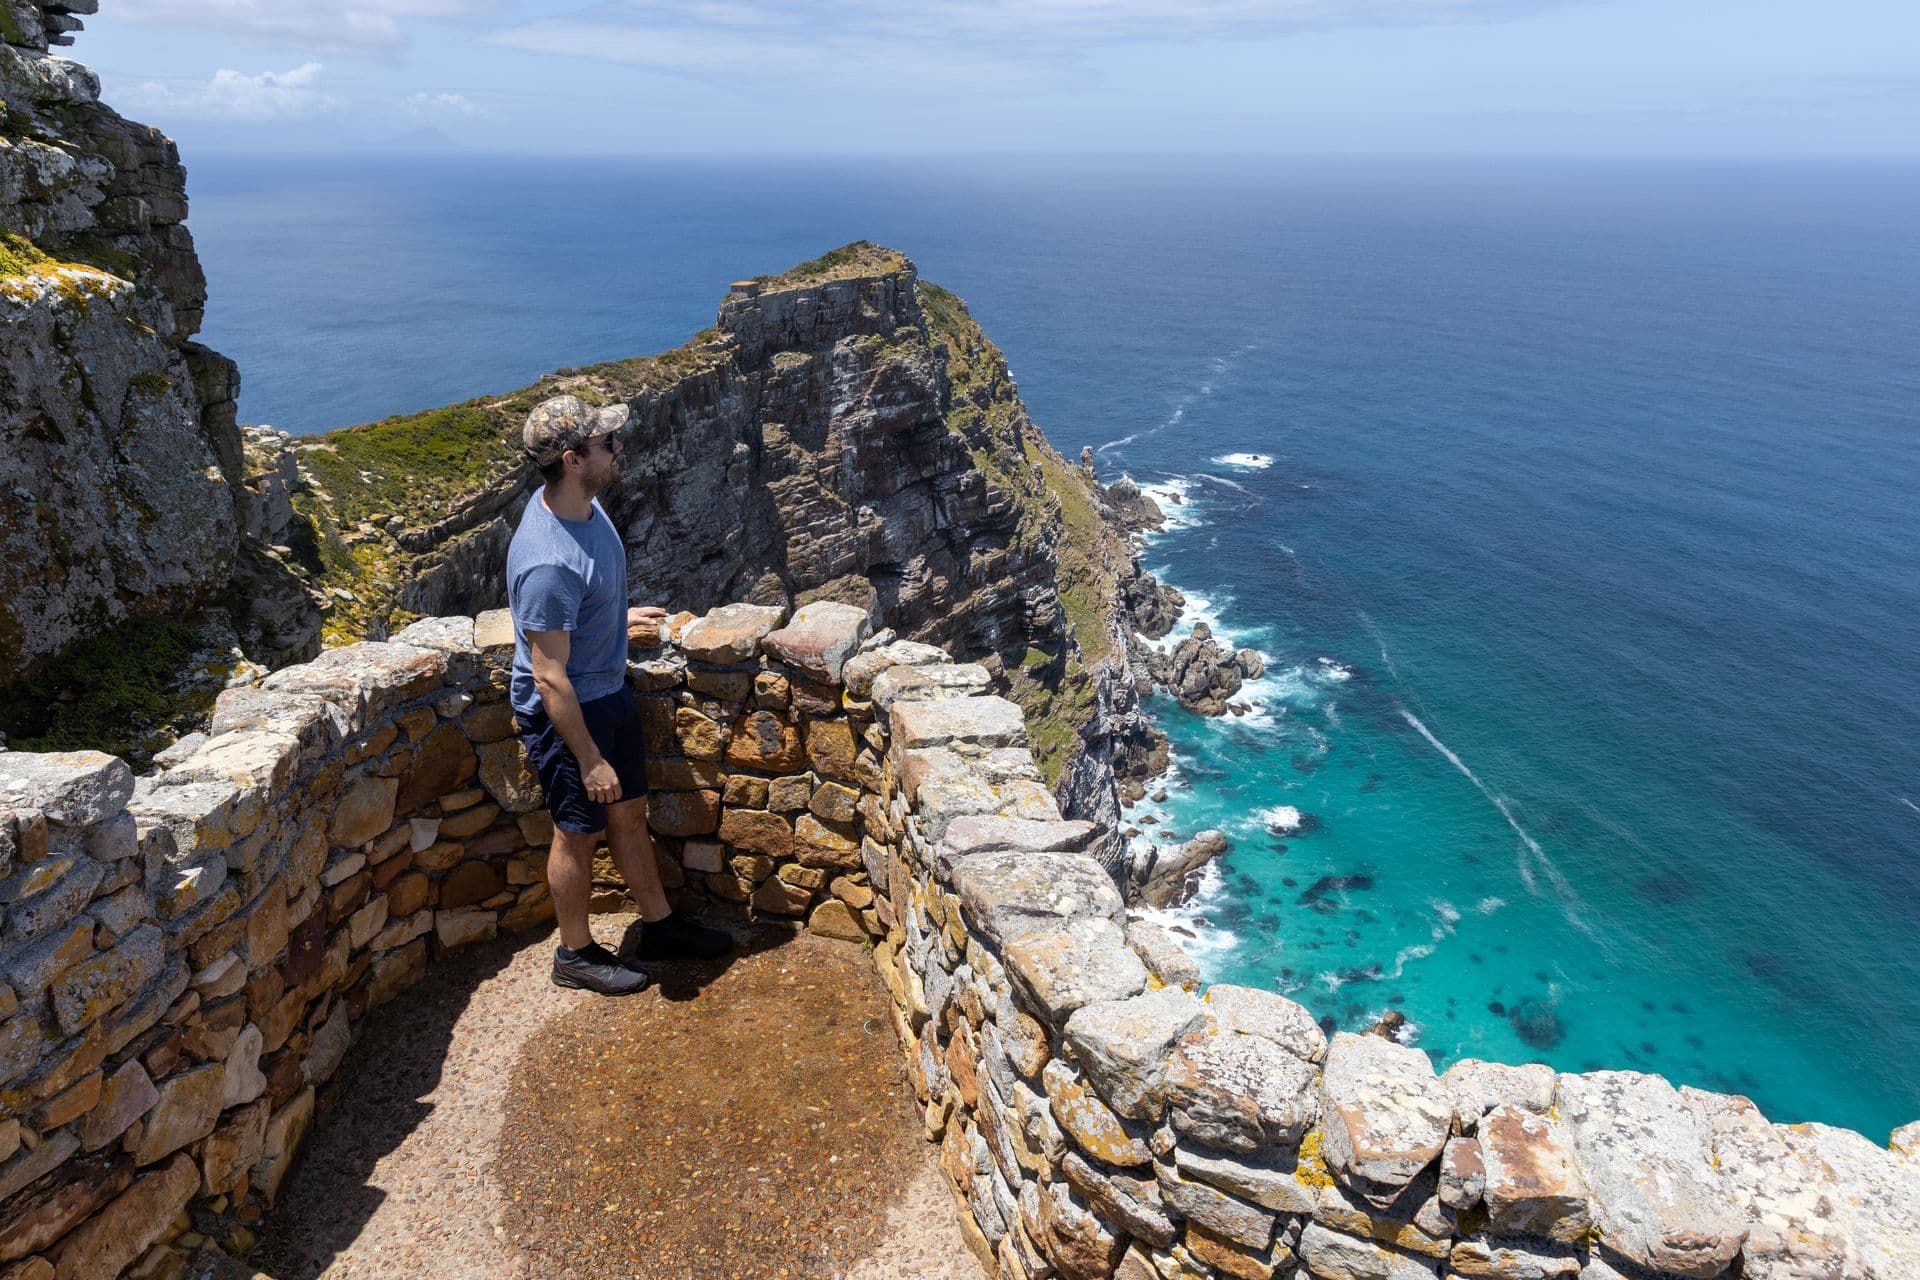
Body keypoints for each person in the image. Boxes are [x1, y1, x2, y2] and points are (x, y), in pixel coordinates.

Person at [507, 394, 732, 995]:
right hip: (570, 716)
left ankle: (658, 927)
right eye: (607, 443)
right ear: (573, 458)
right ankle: (574, 954)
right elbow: (548, 675)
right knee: (575, 832)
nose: (618, 447)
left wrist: (608, 615)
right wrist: (590, 758)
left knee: (629, 813)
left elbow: (578, 602)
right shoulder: (547, 562)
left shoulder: (581, 506)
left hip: (606, 691)